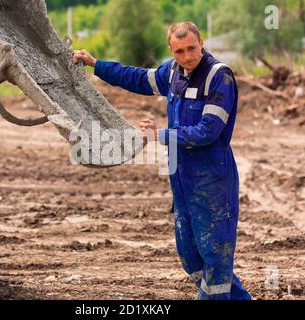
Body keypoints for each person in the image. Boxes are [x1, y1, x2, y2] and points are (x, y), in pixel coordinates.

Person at [73, 21, 251, 300]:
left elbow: (209, 131)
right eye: (179, 51)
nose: (187, 57)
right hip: (181, 177)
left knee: (215, 255)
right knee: (191, 257)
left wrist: (160, 135)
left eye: (192, 48)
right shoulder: (172, 71)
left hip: (212, 180)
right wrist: (96, 64)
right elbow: (137, 78)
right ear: (171, 49)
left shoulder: (219, 76)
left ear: (201, 43)